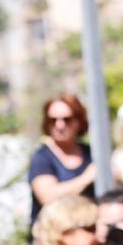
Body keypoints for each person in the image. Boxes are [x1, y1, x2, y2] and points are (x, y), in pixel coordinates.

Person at [29, 93, 96, 223]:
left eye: (67, 119)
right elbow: (48, 198)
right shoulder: (42, 158)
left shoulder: (91, 153)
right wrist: (86, 179)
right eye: (53, 120)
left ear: (79, 120)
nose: (60, 126)